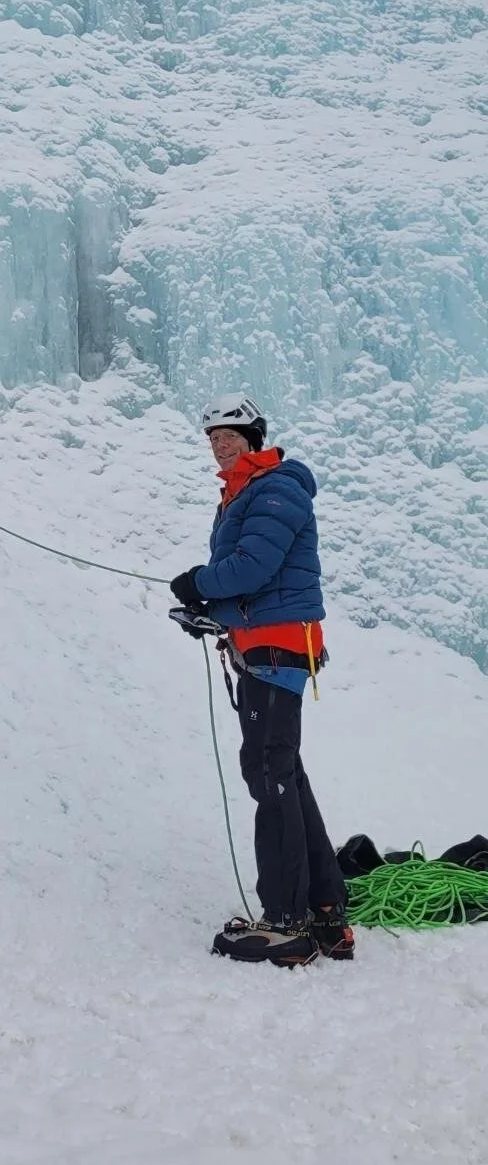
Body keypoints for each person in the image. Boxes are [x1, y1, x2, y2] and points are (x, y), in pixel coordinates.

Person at [170, 395, 353, 967]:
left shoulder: (274, 489)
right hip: (266, 647)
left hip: (276, 649)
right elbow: (256, 588)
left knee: (270, 771)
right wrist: (212, 612)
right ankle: (325, 911)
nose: (219, 444)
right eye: (212, 437)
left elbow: (252, 568)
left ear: (254, 436)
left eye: (229, 433)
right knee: (283, 772)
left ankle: (287, 918)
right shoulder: (246, 493)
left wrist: (198, 582)